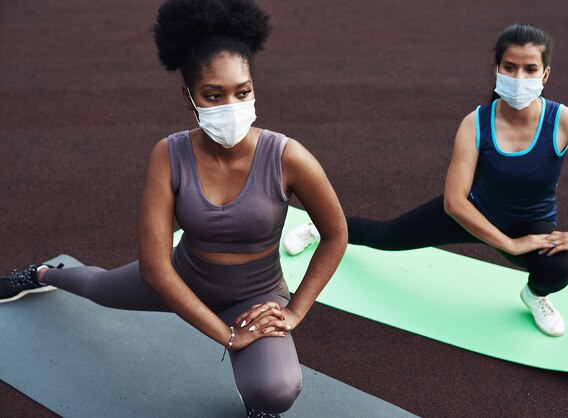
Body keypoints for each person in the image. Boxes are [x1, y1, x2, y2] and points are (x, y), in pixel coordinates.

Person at [0, 0, 347, 416]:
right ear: (189, 97)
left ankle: (255, 394)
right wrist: (226, 335)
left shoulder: (288, 156)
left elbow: (336, 233)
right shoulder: (169, 154)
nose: (231, 106)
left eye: (243, 91)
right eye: (213, 95)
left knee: (274, 391)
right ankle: (42, 274)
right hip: (181, 277)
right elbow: (155, 269)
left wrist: (293, 311)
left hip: (255, 296)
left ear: (254, 85)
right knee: (98, 288)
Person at [284, 23, 568, 338]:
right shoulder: (475, 123)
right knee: (384, 234)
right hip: (471, 212)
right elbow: (454, 202)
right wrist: (507, 245)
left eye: (530, 69)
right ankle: (321, 229)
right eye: (510, 67)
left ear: (545, 74)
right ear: (497, 70)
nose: (519, 77)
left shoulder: (563, 121)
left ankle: (534, 296)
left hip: (530, 225)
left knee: (559, 268)